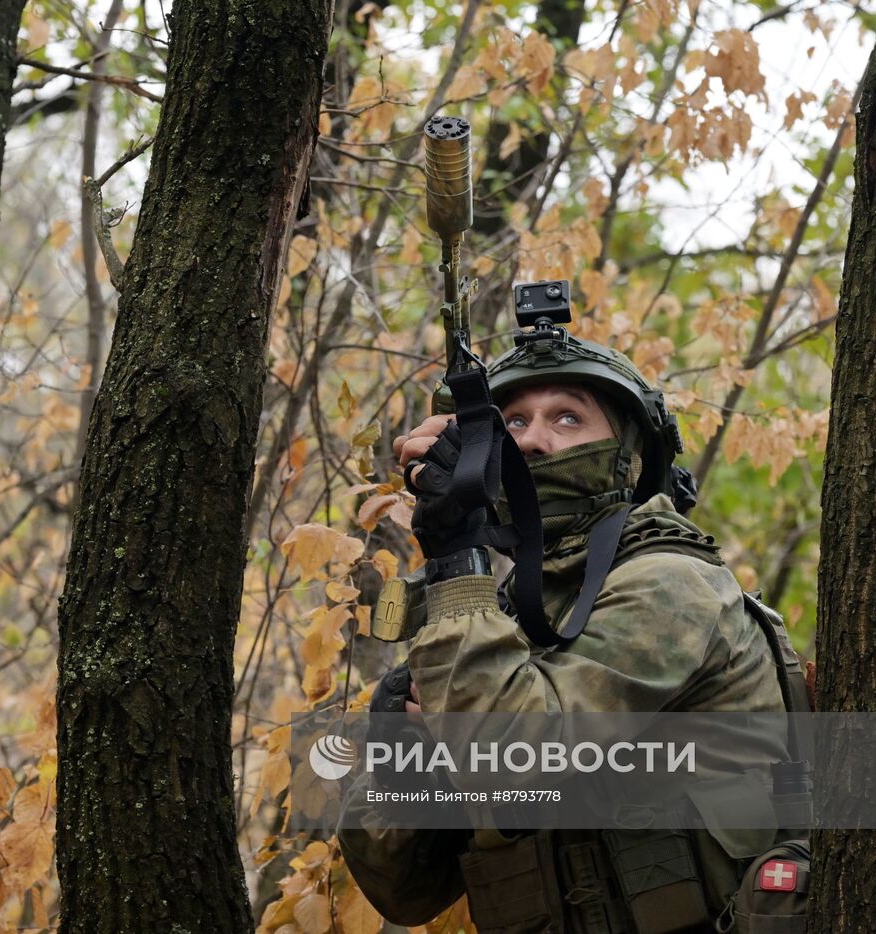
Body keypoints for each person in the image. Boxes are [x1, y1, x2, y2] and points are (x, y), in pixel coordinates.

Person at [338, 330, 793, 934]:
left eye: (568, 417)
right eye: (514, 423)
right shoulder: (495, 624)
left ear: (630, 455)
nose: (532, 442)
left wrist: (454, 558)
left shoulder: (672, 587)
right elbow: (406, 893)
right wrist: (402, 758)